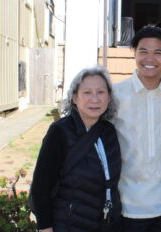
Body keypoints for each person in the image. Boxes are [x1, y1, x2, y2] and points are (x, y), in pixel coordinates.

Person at [31, 66, 122, 232]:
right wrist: (45, 227)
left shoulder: (109, 132)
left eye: (101, 92)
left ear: (109, 97)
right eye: (87, 92)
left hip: (105, 224)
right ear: (74, 97)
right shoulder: (60, 132)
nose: (95, 99)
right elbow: (40, 187)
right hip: (68, 225)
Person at [112, 26, 161, 232]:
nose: (149, 58)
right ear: (134, 53)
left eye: (158, 52)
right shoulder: (116, 95)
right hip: (128, 201)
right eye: (143, 51)